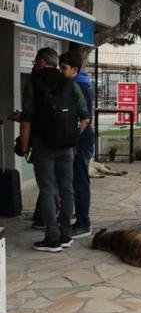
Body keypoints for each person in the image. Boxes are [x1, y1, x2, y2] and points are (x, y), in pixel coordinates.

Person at [19, 48, 90, 252]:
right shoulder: (70, 83)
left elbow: (26, 121)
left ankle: (52, 239)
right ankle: (65, 235)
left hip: (43, 145)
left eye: (35, 62)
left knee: (48, 190)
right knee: (67, 189)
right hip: (66, 146)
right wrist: (72, 138)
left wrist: (25, 148)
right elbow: (85, 118)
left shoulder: (33, 84)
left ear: (41, 62)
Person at [59, 51, 95, 239]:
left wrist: (73, 140)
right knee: (75, 181)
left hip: (80, 140)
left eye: (63, 68)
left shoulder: (79, 86)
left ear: (75, 69)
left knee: (80, 182)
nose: (61, 72)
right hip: (79, 138)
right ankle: (77, 217)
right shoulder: (82, 83)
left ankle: (83, 223)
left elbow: (84, 119)